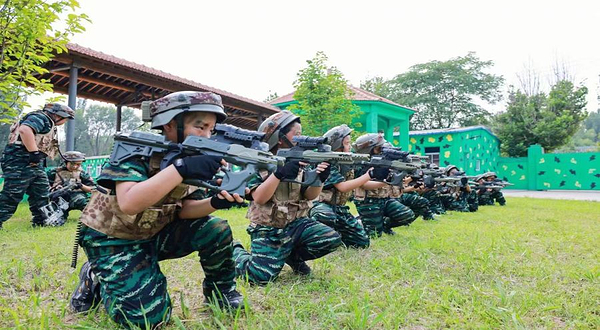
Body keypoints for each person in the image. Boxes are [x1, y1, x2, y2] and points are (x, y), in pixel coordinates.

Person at [70, 91, 245, 329]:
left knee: (215, 227)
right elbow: (130, 203)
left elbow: (183, 210)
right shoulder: (135, 149)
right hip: (113, 239)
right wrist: (181, 169)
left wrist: (216, 202)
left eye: (210, 130)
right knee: (148, 320)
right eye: (200, 127)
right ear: (170, 124)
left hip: (153, 233)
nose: (206, 136)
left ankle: (222, 292)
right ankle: (96, 275)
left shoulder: (193, 157)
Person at [233, 110, 342, 285]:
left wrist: (319, 179)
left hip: (296, 224)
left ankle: (291, 256)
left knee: (330, 238)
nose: (300, 138)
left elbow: (310, 195)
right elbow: (259, 198)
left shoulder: (300, 162)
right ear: (279, 137)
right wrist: (278, 174)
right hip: (268, 228)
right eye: (296, 134)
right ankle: (234, 250)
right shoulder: (258, 162)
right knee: (259, 278)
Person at [0, 103, 74, 228]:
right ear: (59, 116)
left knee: (41, 192)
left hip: (33, 164)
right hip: (19, 161)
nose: (64, 122)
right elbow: (25, 129)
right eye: (65, 120)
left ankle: (42, 220)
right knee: (12, 194)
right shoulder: (41, 118)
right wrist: (34, 152)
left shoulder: (48, 121)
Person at [308, 124, 374, 248]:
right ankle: (318, 236)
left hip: (339, 208)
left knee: (361, 242)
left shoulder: (344, 162)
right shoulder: (327, 162)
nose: (350, 146)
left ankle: (336, 235)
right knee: (325, 215)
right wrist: (369, 175)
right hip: (320, 205)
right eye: (347, 143)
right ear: (338, 146)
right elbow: (342, 187)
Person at [352, 133, 416, 236]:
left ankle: (383, 225)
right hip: (368, 201)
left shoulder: (384, 161)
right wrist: (385, 182)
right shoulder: (361, 163)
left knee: (407, 215)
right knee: (374, 234)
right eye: (378, 148)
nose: (381, 150)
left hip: (385, 199)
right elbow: (363, 184)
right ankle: (360, 222)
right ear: (369, 149)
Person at [45, 151, 95, 222]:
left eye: (78, 164)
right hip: (59, 199)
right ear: (65, 162)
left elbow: (92, 189)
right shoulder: (54, 172)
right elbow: (44, 187)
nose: (75, 166)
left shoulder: (82, 174)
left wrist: (81, 185)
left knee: (86, 205)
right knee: (54, 220)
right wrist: (54, 189)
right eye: (72, 164)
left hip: (77, 197)